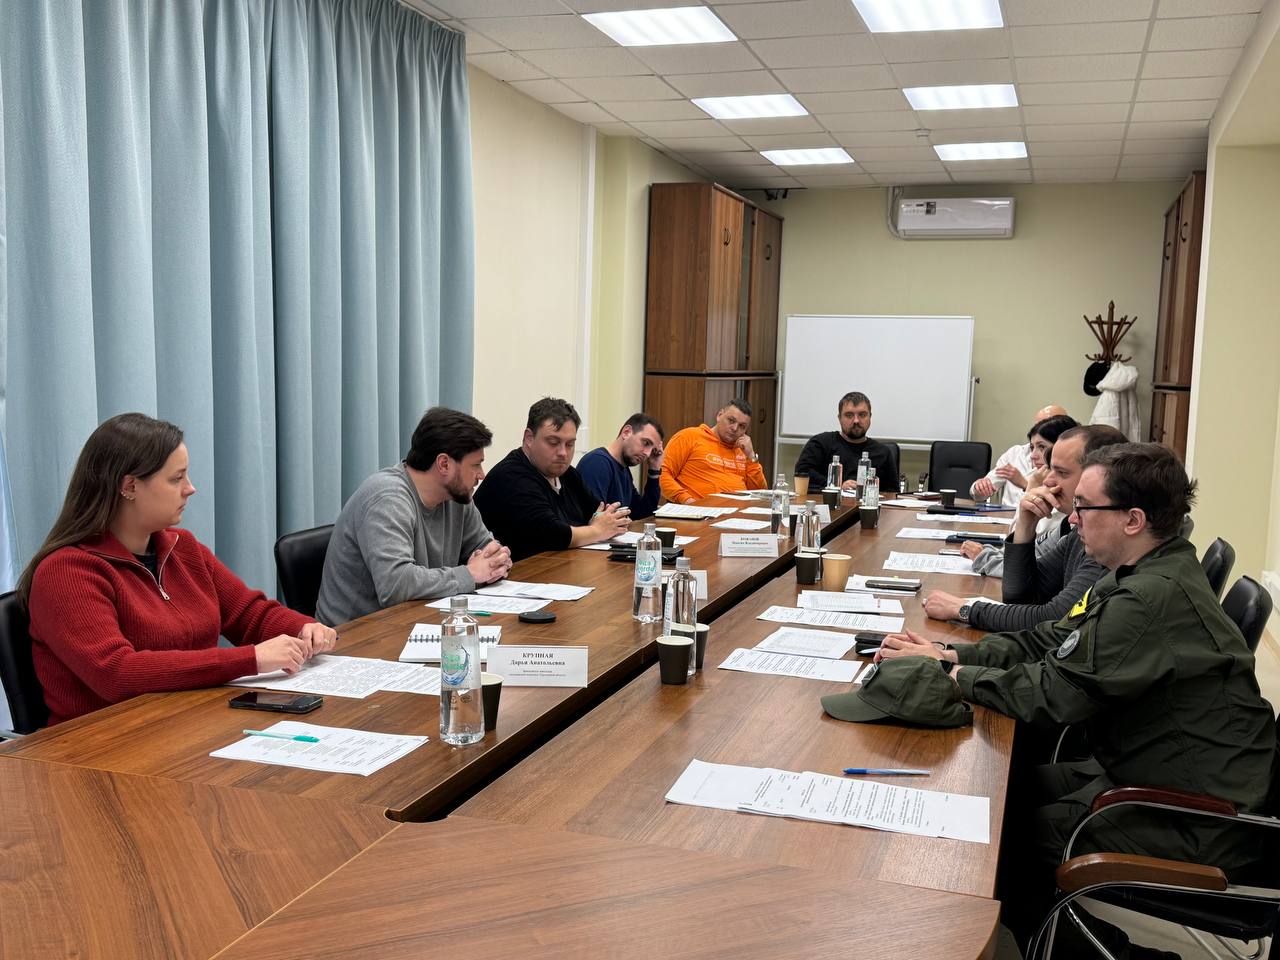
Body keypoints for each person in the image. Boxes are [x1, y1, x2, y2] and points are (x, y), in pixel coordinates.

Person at [879, 443, 1274, 956]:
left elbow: (1053, 694)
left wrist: (952, 676)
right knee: (1006, 789)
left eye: (1085, 506)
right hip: (1155, 772)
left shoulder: (1147, 599)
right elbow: (1051, 639)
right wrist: (953, 654)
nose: (1072, 516)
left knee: (1003, 848)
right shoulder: (1142, 570)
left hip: (1198, 816)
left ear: (1132, 520)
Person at [20, 413, 337, 726]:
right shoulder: (65, 573)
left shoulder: (183, 547)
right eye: (176, 479)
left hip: (186, 722)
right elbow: (116, 673)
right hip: (105, 742)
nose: (190, 488)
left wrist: (303, 628)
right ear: (130, 486)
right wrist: (250, 659)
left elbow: (248, 614)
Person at [316, 407, 512, 626]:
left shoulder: (456, 497)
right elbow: (395, 586)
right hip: (356, 634)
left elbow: (485, 548)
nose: (482, 475)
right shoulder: (388, 499)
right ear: (444, 464)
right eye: (475, 465)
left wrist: (497, 560)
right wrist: (470, 574)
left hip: (414, 621)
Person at [922, 424, 1127, 632]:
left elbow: (1054, 619)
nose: (1048, 480)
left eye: (1061, 472)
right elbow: (1019, 597)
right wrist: (1025, 525)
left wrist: (965, 609)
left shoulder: (1108, 541)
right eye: (1050, 469)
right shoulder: (1075, 532)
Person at [474, 397, 631, 562]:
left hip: (558, 566)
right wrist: (597, 530)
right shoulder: (511, 476)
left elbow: (600, 513)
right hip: (520, 572)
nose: (563, 453)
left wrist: (601, 522)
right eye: (553, 442)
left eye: (570, 444)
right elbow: (553, 534)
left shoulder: (568, 474)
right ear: (529, 438)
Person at [964, 414, 1077, 577]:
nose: (1033, 455)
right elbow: (1022, 556)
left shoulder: (1062, 504)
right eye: (1032, 447)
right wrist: (988, 553)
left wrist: (1029, 486)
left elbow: (1026, 567)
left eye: (1042, 447)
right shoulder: (1025, 462)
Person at [660, 398, 767, 503]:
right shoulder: (689, 437)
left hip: (738, 512)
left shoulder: (744, 451)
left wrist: (751, 456)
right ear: (719, 415)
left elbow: (760, 495)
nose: (735, 428)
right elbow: (662, 474)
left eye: (742, 426)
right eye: (731, 420)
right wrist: (686, 500)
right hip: (698, 510)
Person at [793, 392, 900, 493]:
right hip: (830, 505)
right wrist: (837, 487)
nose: (856, 421)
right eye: (849, 415)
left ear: (870, 417)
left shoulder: (883, 452)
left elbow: (893, 492)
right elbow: (802, 475)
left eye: (862, 415)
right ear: (839, 418)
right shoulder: (820, 444)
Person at [971, 403, 1069, 507]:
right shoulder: (1015, 453)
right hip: (1004, 515)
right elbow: (980, 495)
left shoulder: (1066, 465)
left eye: (1048, 426)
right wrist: (980, 487)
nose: (1033, 456)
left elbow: (1056, 509)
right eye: (1037, 426)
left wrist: (1025, 484)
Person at [577, 414, 665, 521]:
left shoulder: (624, 469)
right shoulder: (597, 463)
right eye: (646, 443)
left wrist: (654, 470)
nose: (647, 453)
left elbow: (643, 514)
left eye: (653, 450)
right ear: (626, 432)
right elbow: (593, 521)